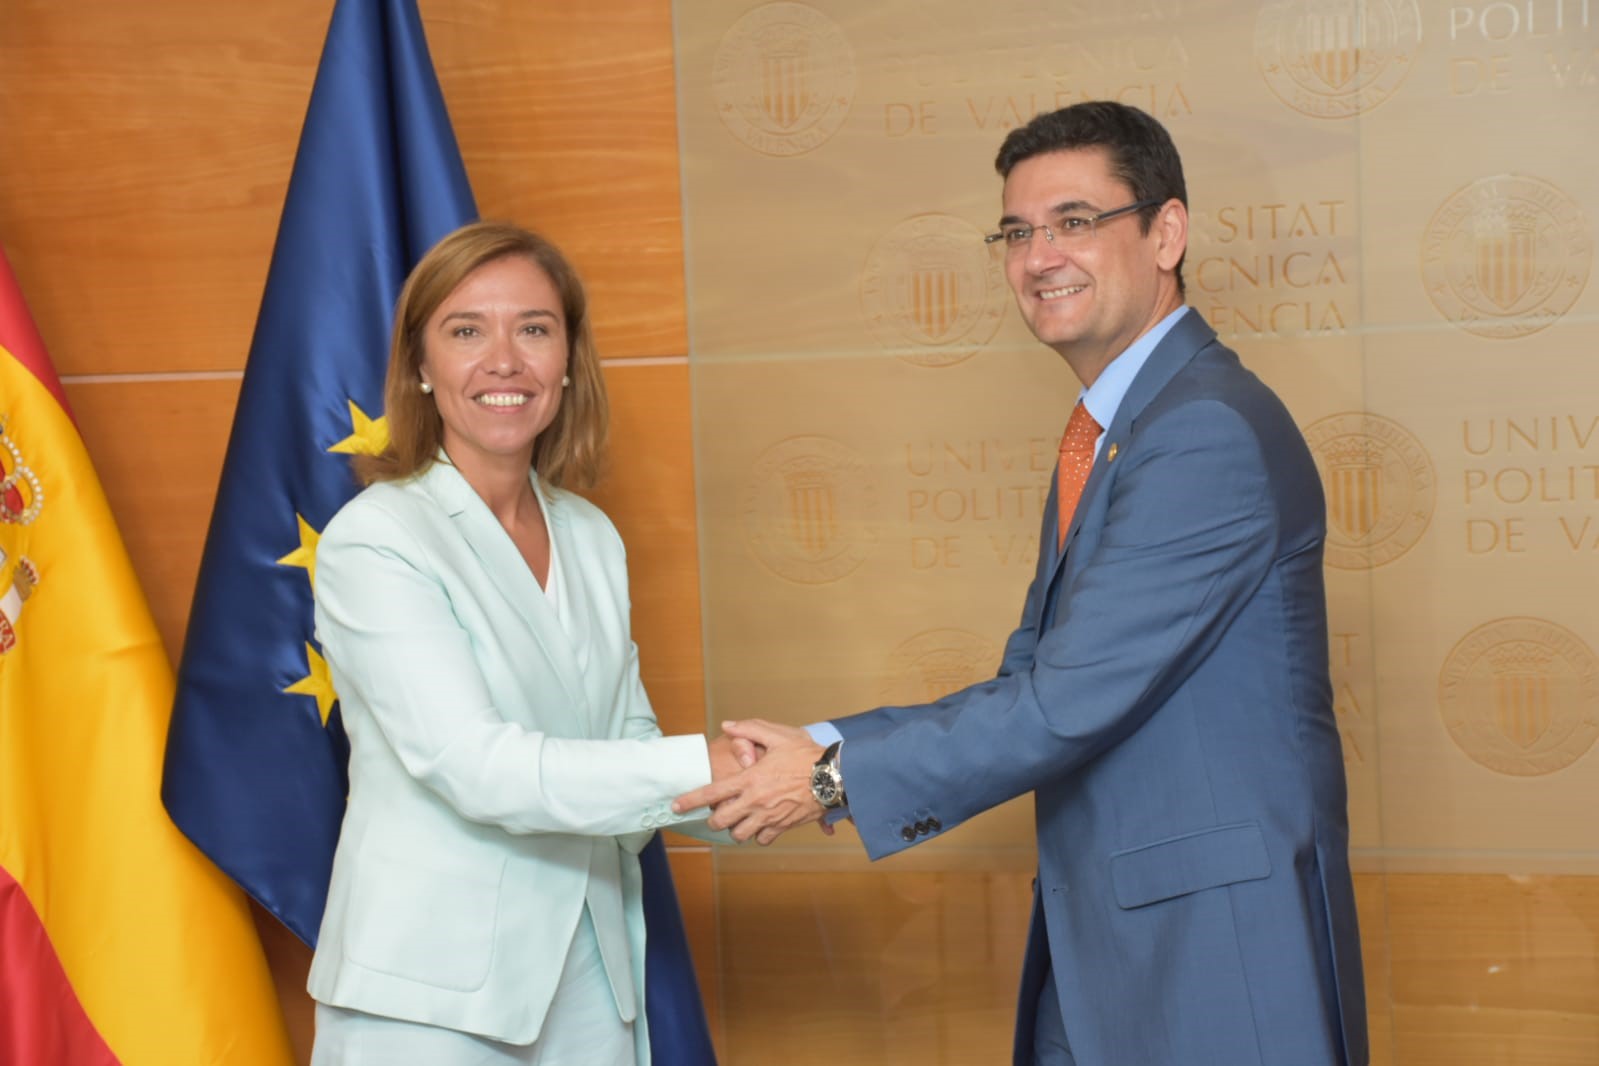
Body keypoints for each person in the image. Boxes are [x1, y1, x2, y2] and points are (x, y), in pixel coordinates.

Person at [676, 101, 1368, 1066]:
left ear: (1166, 232)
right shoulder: (1119, 425)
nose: (1039, 256)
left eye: (1075, 222)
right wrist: (827, 748)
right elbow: (1034, 680)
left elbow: (1063, 703)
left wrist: (829, 777)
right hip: (1118, 950)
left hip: (1212, 958)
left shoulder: (1200, 432)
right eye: (1016, 231)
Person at [307, 220, 736, 1066]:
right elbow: (477, 765)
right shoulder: (378, 539)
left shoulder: (589, 535)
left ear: (567, 360)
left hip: (592, 977)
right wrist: (718, 769)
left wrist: (793, 786)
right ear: (421, 368)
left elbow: (627, 744)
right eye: (466, 331)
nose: (504, 360)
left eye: (533, 329)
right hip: (432, 998)